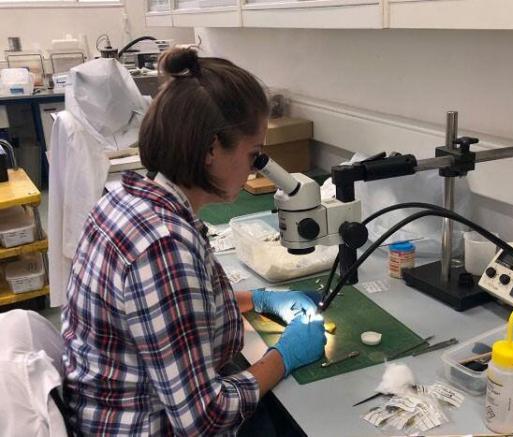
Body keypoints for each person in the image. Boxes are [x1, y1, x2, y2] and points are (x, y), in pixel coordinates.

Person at [61, 47, 327, 435]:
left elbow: (160, 310)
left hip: (113, 402)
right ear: (211, 149)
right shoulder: (162, 245)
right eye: (254, 154)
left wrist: (259, 299)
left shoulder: (128, 198)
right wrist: (285, 356)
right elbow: (204, 417)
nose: (257, 167)